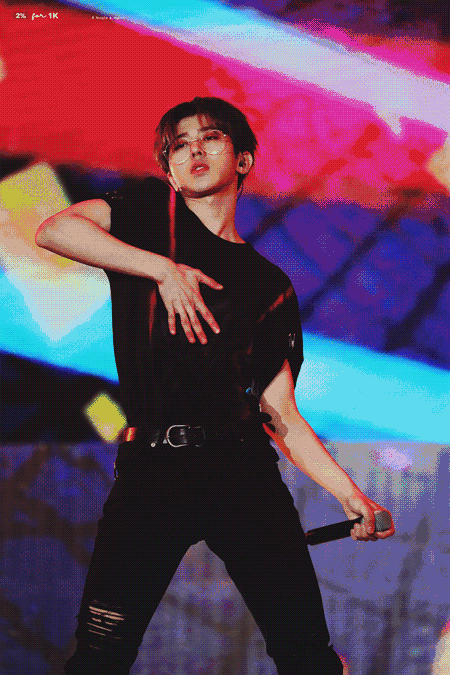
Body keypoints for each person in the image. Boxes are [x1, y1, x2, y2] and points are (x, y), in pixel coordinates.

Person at [36, 97, 395, 675]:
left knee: (307, 657)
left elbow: (280, 412)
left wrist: (350, 495)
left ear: (243, 159)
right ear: (169, 170)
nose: (194, 150)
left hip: (243, 476)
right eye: (179, 145)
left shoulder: (268, 283)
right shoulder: (147, 214)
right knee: (100, 658)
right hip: (153, 472)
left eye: (210, 138)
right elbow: (54, 230)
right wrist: (162, 269)